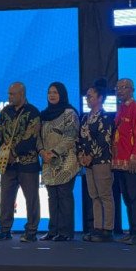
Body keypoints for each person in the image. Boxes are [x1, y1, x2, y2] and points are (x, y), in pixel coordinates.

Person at [0, 82, 41, 243]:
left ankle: (31, 231)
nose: (9, 97)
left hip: (28, 163)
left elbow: (31, 137)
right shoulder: (5, 111)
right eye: (9, 94)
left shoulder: (32, 112)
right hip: (8, 164)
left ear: (22, 94)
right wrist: (4, 153)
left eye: (12, 94)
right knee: (6, 197)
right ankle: (4, 229)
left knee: (31, 199)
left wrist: (14, 153)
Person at [37, 82, 80, 241]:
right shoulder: (43, 115)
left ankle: (65, 232)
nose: (52, 95)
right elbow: (37, 137)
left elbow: (70, 137)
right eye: (50, 92)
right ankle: (53, 231)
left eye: (55, 92)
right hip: (48, 161)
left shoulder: (70, 113)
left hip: (66, 161)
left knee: (64, 195)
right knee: (52, 197)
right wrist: (42, 152)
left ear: (62, 94)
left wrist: (54, 152)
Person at [77, 79, 115, 242]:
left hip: (101, 160)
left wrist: (90, 155)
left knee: (105, 194)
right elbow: (80, 139)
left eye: (90, 96)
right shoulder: (85, 118)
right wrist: (81, 155)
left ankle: (108, 229)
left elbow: (103, 139)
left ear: (100, 98)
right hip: (88, 163)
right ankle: (97, 227)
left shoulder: (105, 117)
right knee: (94, 195)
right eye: (87, 96)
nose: (87, 99)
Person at [112, 78, 136, 245]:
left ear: (132, 90)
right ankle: (132, 230)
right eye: (117, 88)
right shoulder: (121, 108)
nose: (119, 91)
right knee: (126, 197)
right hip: (120, 161)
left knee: (135, 197)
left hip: (132, 160)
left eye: (123, 87)